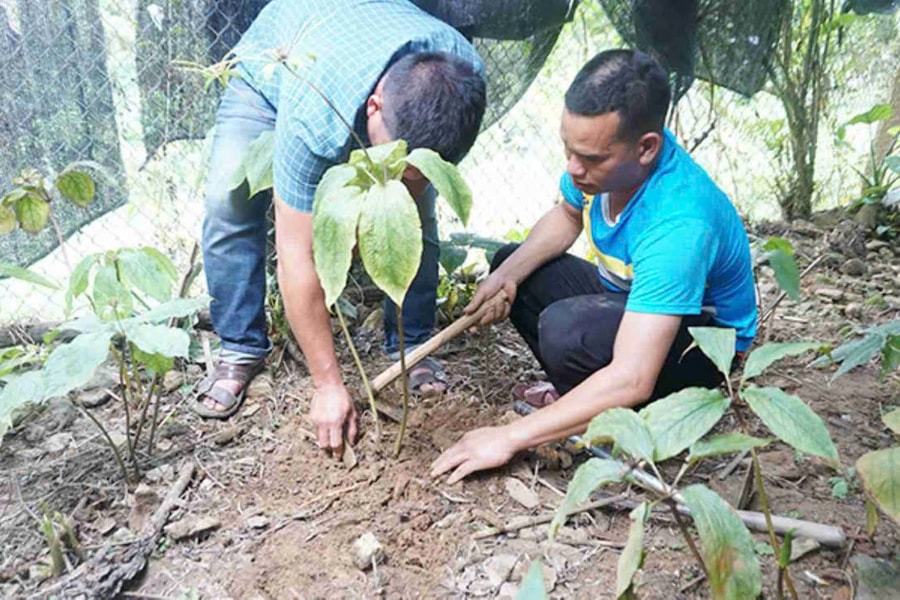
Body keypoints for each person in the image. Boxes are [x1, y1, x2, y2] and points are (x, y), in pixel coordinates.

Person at [431, 49, 757, 484]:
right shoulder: (604, 167)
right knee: (515, 264)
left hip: (702, 346)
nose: (573, 168)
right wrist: (505, 277)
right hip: (634, 303)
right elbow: (568, 215)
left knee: (566, 329)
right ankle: (580, 399)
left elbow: (634, 376)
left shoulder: (679, 222)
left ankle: (617, 418)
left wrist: (509, 437)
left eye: (590, 158)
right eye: (569, 150)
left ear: (646, 148)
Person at [192, 0, 487, 458]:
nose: (400, 180)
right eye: (395, 163)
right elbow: (297, 252)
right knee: (228, 203)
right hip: (276, 69)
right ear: (374, 108)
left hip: (356, 44)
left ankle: (413, 343)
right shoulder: (312, 116)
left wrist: (405, 190)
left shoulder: (462, 77)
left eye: (414, 168)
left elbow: (415, 175)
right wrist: (327, 384)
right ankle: (241, 347)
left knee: (415, 214)